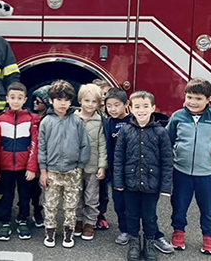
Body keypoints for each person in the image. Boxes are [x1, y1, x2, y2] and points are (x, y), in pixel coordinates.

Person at [105, 88, 173, 254]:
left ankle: (149, 243)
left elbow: (167, 160)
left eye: (145, 106)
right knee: (132, 215)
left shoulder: (161, 132)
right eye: (137, 107)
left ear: (153, 108)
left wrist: (165, 186)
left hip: (152, 185)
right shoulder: (126, 132)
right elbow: (119, 159)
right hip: (130, 184)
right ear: (131, 109)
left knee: (150, 216)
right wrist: (119, 182)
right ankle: (134, 243)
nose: (141, 110)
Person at [167, 77, 211, 255]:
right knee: (179, 204)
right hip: (181, 171)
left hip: (208, 173)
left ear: (208, 99)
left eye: (198, 98)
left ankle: (209, 236)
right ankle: (178, 232)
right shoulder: (177, 117)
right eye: (189, 97)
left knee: (208, 206)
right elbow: (168, 140)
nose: (193, 102)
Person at [38, 80, 90, 248]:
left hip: (72, 171)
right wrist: (43, 170)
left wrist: (80, 167)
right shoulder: (46, 121)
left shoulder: (77, 121)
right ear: (51, 101)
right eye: (59, 99)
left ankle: (69, 233)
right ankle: (50, 232)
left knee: (71, 205)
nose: (63, 103)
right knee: (50, 204)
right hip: (52, 171)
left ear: (71, 102)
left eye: (66, 99)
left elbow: (84, 145)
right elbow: (41, 147)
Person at [0, 82, 40, 241]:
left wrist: (32, 167)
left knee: (24, 195)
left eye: (19, 98)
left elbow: (35, 145)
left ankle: (22, 219)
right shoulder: (0, 119)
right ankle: (5, 221)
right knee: (6, 195)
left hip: (24, 168)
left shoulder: (32, 120)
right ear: (7, 98)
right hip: (5, 167)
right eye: (12, 97)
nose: (15, 101)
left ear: (25, 99)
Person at [74, 84, 107, 241]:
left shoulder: (100, 121)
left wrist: (102, 166)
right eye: (86, 100)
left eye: (94, 101)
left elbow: (102, 145)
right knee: (76, 195)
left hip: (93, 166)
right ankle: (78, 221)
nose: (90, 104)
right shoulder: (73, 118)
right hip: (75, 166)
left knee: (91, 197)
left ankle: (90, 223)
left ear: (99, 103)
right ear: (80, 100)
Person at [29, 85, 52, 227]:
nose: (34, 104)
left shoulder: (51, 119)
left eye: (38, 101)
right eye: (34, 101)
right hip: (33, 158)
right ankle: (36, 210)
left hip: (48, 158)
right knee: (33, 188)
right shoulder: (31, 118)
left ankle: (47, 214)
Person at [92, 78, 112, 230]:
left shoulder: (111, 117)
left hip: (105, 160)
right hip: (91, 159)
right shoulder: (89, 115)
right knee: (88, 190)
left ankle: (101, 214)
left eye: (106, 94)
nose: (103, 98)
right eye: (100, 95)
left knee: (103, 189)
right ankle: (88, 215)